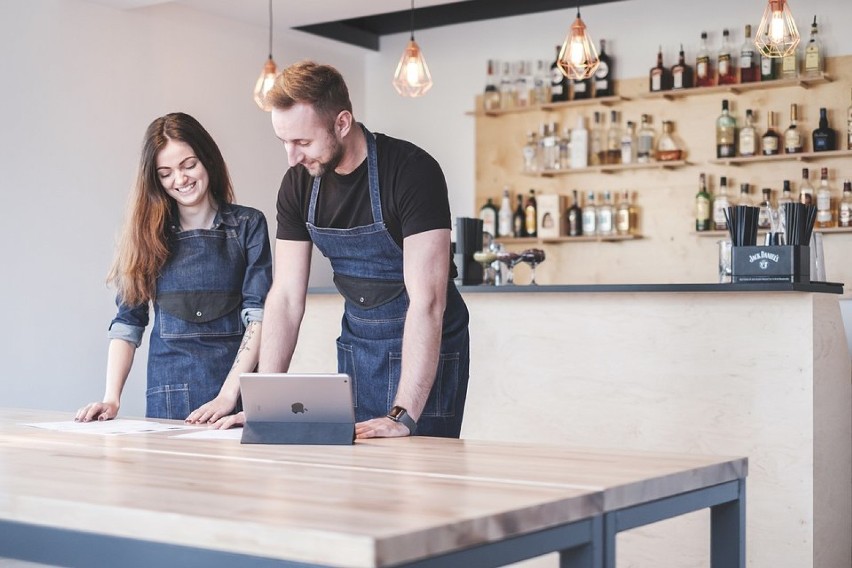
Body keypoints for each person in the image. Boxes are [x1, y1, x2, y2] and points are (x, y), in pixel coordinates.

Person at [218, 61, 470, 439]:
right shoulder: (298, 185)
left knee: (419, 483)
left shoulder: (412, 172)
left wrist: (402, 415)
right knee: (361, 483)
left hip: (424, 348)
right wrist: (265, 405)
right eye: (284, 142)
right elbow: (286, 297)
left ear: (342, 123)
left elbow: (428, 302)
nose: (292, 157)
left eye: (302, 142)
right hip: (359, 345)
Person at [75, 112, 272, 423]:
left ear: (208, 159)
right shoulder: (144, 235)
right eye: (165, 173)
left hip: (235, 397)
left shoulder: (248, 225)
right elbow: (128, 322)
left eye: (188, 165)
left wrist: (227, 395)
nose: (180, 180)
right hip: (169, 398)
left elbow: (260, 319)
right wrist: (111, 399)